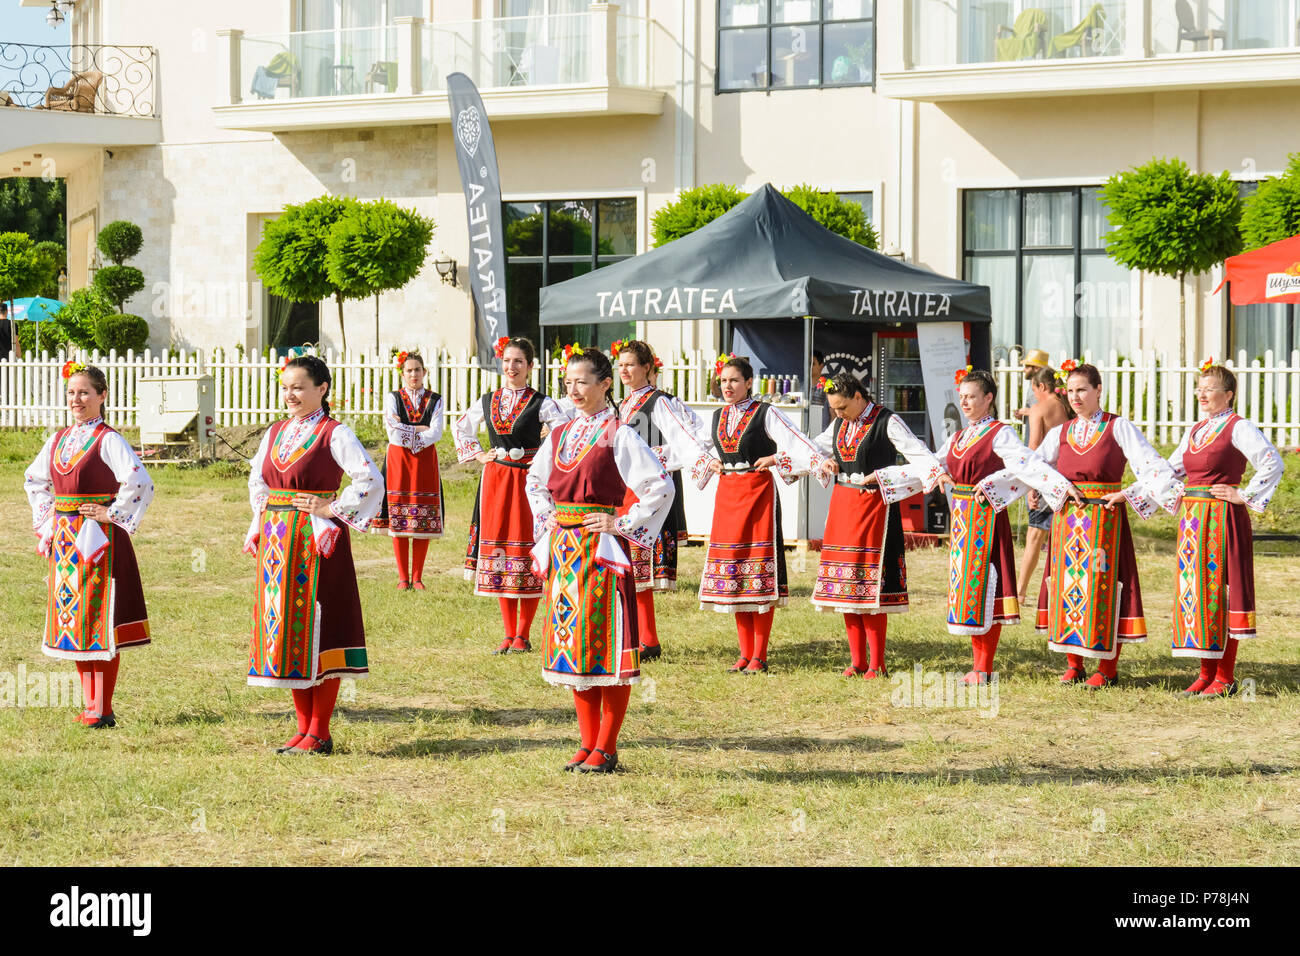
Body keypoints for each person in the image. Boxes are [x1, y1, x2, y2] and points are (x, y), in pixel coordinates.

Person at [525, 347, 673, 774]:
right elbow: (536, 482)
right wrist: (547, 520)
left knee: (605, 649)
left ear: (605, 384)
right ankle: (586, 742)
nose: (574, 390)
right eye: (568, 382)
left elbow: (658, 487)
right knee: (573, 649)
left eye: (582, 382)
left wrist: (619, 521)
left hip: (602, 554)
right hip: (566, 551)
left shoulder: (620, 433)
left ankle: (607, 747)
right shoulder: (558, 434)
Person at [244, 355, 383, 755]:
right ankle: (303, 727)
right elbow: (258, 478)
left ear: (321, 389)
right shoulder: (275, 433)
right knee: (285, 628)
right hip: (277, 541)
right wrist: (262, 516)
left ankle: (320, 730)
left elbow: (370, 479)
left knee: (320, 627)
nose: (290, 394)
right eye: (286, 387)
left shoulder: (333, 433)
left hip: (316, 542)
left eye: (299, 387)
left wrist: (331, 509)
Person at [1028, 363, 1182, 687]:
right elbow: (1034, 466)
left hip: (1105, 521)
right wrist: (1053, 488)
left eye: (1082, 389)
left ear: (1099, 390)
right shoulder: (1061, 433)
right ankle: (1074, 664)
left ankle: (1107, 669)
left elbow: (1156, 468)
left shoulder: (1118, 427)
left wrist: (1129, 493)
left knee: (1104, 589)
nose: (1076, 397)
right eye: (1070, 391)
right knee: (1069, 586)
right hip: (1068, 521)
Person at [24, 361, 154, 728]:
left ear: (102, 396)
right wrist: (49, 519)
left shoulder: (108, 439)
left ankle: (103, 707)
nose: (76, 399)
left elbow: (138, 481)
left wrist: (110, 513)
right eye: (71, 392)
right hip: (66, 542)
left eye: (84, 392)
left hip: (98, 541)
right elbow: (34, 479)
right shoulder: (59, 439)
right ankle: (90, 705)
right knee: (77, 620)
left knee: (101, 619)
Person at [936, 368, 1079, 685]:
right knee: (966, 589)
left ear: (988, 398)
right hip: (962, 521)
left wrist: (1057, 485)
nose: (966, 403)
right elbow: (938, 461)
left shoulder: (1000, 433)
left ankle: (983, 668)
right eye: (962, 397)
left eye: (971, 396)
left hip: (986, 519)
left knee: (985, 587)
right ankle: (976, 665)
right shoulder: (959, 436)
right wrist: (935, 473)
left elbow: (1026, 463)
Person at [698, 354, 831, 673]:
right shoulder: (716, 416)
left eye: (734, 380)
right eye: (724, 380)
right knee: (734, 573)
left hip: (757, 494)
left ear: (748, 383)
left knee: (756, 571)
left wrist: (783, 460)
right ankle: (744, 653)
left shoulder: (765, 413)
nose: (727, 386)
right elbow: (696, 448)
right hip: (728, 493)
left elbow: (797, 442)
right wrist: (708, 462)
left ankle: (759, 654)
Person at [810, 371, 943, 678]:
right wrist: (823, 461)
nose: (839, 414)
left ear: (859, 397)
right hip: (844, 506)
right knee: (847, 585)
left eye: (843, 407)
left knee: (871, 587)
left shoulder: (887, 421)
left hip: (875, 508)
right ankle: (856, 661)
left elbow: (919, 456)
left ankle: (876, 662)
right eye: (835, 409)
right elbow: (815, 447)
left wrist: (886, 476)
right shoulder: (841, 423)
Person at [1167, 362, 1283, 698]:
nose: (1202, 394)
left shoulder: (1238, 427)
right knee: (1197, 593)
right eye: (1199, 388)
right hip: (1192, 522)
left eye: (1210, 388)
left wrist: (1242, 495)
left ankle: (1225, 676)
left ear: (1228, 395)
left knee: (1221, 591)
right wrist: (1135, 491)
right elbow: (1172, 468)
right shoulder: (1196, 430)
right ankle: (1205, 673)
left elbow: (1272, 461)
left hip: (1222, 519)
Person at [455, 336, 571, 654]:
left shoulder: (541, 402)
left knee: (526, 549)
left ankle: (523, 634)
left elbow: (565, 433)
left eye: (518, 361)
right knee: (501, 553)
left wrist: (545, 453)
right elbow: (462, 427)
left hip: (528, 482)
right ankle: (508, 633)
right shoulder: (488, 400)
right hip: (496, 479)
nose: (511, 366)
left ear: (530, 366)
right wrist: (480, 455)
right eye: (507, 360)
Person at [613, 340, 712, 661]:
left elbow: (694, 436)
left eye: (631, 364)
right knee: (626, 566)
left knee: (641, 566)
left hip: (647, 491)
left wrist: (658, 457)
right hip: (623, 491)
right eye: (621, 364)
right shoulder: (618, 405)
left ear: (648, 368)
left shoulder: (660, 402)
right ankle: (637, 638)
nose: (624, 370)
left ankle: (648, 640)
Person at [372, 351, 444, 590]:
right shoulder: (393, 397)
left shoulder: (435, 399)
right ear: (402, 374)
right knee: (399, 515)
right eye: (409, 370)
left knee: (421, 516)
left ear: (425, 372)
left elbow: (437, 432)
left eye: (417, 370)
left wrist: (410, 432)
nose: (414, 374)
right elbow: (392, 431)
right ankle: (403, 577)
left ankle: (418, 576)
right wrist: (419, 430)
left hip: (424, 460)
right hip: (399, 460)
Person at [1016, 365, 1072, 605]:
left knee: (1034, 537)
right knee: (1060, 538)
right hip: (1067, 479)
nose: (1034, 396)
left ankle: (1019, 592)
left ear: (1042, 387)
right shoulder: (1068, 408)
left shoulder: (1038, 409)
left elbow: (1034, 449)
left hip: (1045, 478)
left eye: (1034, 390)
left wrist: (1030, 486)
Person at [1014, 349, 1051, 419]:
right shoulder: (1031, 385)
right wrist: (1021, 415)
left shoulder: (1046, 387)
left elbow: (1050, 411)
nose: (1024, 370)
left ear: (1036, 368)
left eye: (1027, 367)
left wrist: (1029, 411)